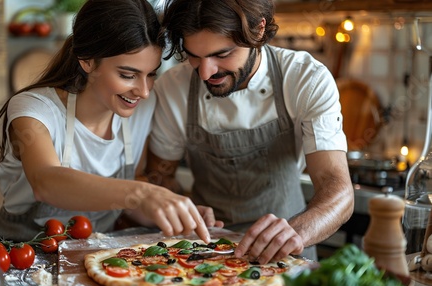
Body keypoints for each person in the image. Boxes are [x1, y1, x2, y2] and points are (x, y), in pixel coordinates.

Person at [0, 0, 220, 244]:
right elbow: (46, 181)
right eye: (128, 75)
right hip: (18, 252)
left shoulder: (143, 106)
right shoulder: (34, 108)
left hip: (94, 251)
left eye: (151, 74)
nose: (143, 91)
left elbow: (126, 203)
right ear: (87, 61)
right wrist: (144, 191)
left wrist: (172, 213)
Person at [143, 0, 354, 263]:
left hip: (286, 255)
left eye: (222, 54)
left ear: (257, 30)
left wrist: (293, 233)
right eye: (194, 56)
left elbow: (339, 191)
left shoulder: (305, 79)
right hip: (202, 255)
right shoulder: (173, 88)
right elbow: (159, 178)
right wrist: (183, 208)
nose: (206, 72)